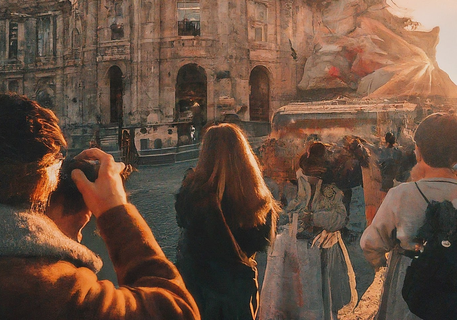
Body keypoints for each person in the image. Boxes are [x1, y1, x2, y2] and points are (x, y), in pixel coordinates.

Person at [0, 93, 199, 320]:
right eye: (79, 229)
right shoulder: (45, 290)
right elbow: (177, 311)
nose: (78, 241)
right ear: (42, 188)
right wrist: (116, 209)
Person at [175, 123, 279, 320]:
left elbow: (184, 224)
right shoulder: (257, 197)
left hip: (198, 289)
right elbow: (262, 241)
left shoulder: (194, 193)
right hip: (237, 291)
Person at [360, 113, 457, 319]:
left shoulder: (401, 194)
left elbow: (371, 242)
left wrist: (378, 261)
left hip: (410, 277)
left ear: (418, 152)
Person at [259, 142, 357, 320]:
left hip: (324, 251)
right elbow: (280, 215)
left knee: (322, 299)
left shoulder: (331, 191)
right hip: (295, 252)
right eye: (310, 169)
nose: (313, 174)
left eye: (317, 170)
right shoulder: (293, 188)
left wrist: (314, 218)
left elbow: (339, 219)